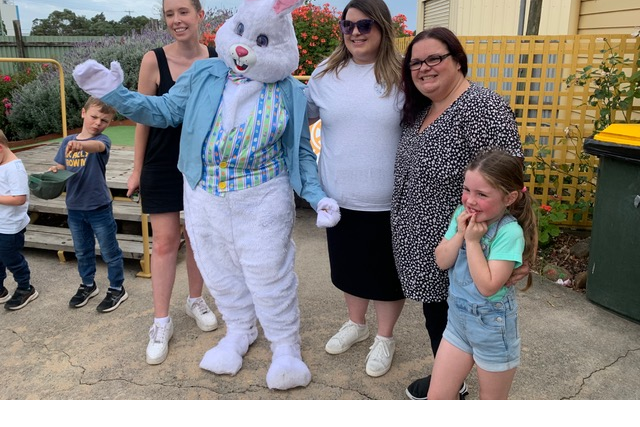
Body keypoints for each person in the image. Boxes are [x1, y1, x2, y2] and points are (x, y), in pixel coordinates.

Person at [73, 0, 341, 390]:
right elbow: (164, 111)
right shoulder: (205, 73)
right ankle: (238, 331)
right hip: (205, 195)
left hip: (262, 195)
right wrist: (115, 93)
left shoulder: (290, 92)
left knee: (269, 271)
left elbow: (300, 152)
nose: (246, 48)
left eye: (262, 40)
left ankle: (285, 347)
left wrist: (318, 196)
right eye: (244, 34)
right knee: (219, 270)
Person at [390, 27, 528, 399]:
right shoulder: (419, 108)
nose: (424, 68)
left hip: (465, 245)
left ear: (458, 60)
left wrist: (520, 254)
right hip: (426, 240)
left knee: (451, 314)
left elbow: (509, 177)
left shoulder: (482, 107)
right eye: (416, 62)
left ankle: (453, 387)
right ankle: (450, 379)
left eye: (434, 58)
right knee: (439, 315)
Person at [305, 0, 405, 378]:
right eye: (348, 26)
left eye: (365, 25)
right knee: (349, 269)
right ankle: (356, 324)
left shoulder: (402, 75)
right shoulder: (324, 75)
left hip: (390, 200)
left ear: (381, 28)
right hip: (338, 198)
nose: (356, 33)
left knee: (386, 275)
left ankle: (385, 336)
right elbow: (302, 121)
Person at [127, 0, 219, 366]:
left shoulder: (216, 58)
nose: (177, 20)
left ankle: (195, 299)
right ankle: (161, 321)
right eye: (169, 14)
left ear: (200, 15)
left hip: (203, 164)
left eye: (183, 12)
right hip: (162, 164)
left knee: (198, 239)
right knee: (165, 243)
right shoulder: (153, 60)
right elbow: (142, 117)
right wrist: (136, 169)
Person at [429, 149, 536, 399]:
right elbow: (442, 260)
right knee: (437, 398)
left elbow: (488, 286)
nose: (470, 200)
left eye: (481, 194)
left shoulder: (509, 233)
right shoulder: (461, 215)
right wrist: (459, 234)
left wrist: (473, 242)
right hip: (457, 322)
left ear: (509, 198)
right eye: (467, 190)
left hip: (492, 329)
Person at [50, 96, 128, 313]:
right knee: (82, 251)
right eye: (94, 117)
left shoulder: (103, 141)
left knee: (109, 251)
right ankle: (88, 284)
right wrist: (53, 171)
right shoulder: (67, 141)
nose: (97, 123)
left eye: (104, 120)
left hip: (99, 207)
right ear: (83, 113)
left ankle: (117, 288)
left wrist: (81, 144)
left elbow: (96, 146)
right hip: (74, 207)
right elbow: (58, 164)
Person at [0, 130, 37, 310]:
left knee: (11, 258)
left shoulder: (14, 169)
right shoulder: (1, 163)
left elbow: (19, 199)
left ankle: (25, 288)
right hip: (1, 223)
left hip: (11, 227)